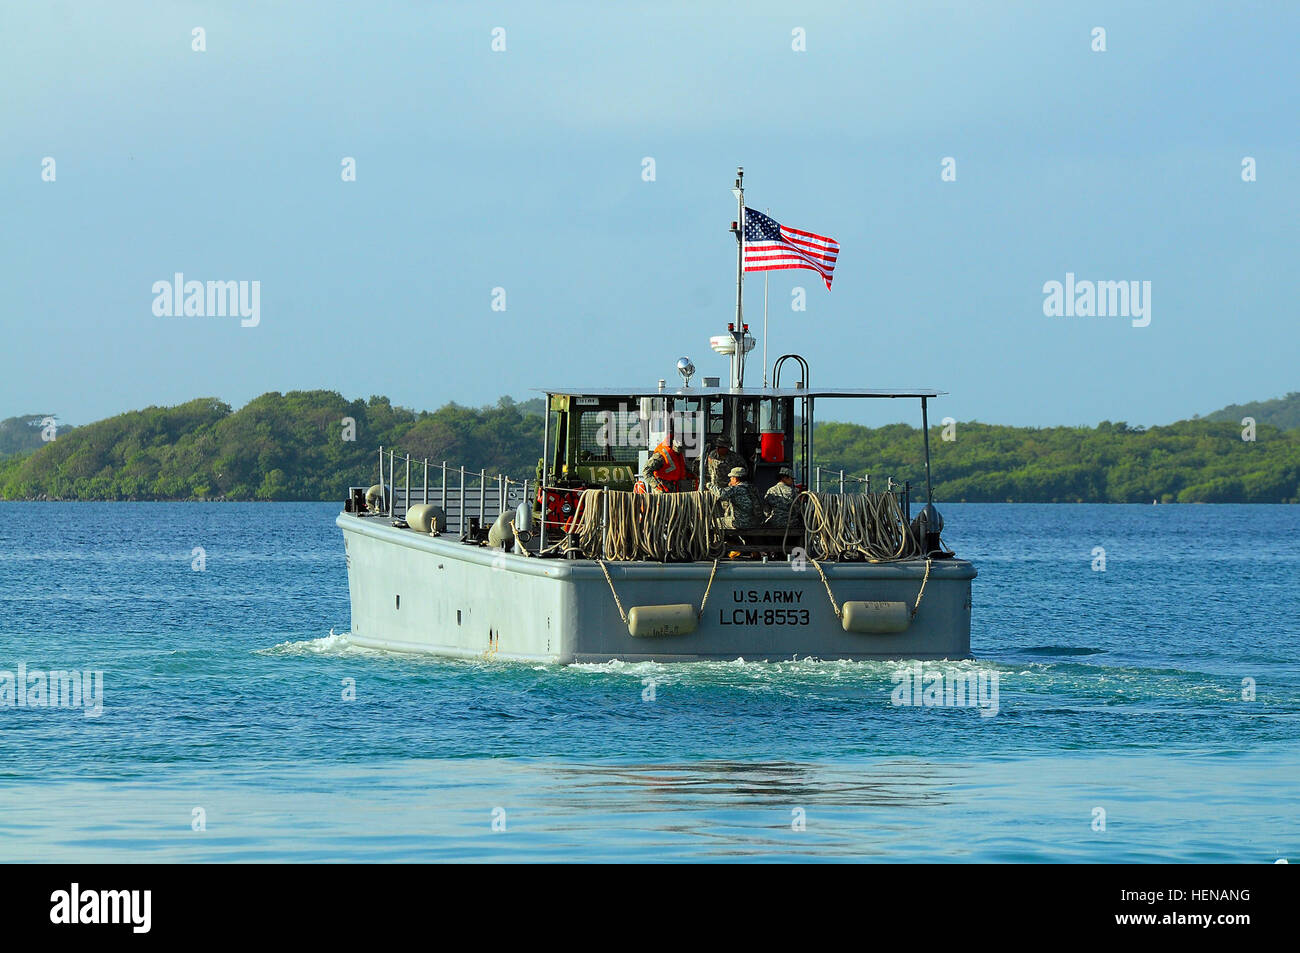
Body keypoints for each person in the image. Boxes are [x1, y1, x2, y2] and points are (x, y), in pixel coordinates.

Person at [764, 466, 802, 532]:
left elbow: (766, 510)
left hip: (774, 523)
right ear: (784, 478)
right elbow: (798, 510)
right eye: (791, 479)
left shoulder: (771, 490)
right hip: (791, 524)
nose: (792, 481)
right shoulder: (793, 491)